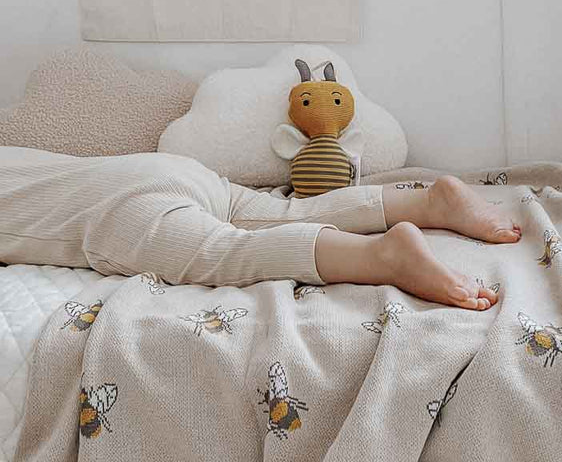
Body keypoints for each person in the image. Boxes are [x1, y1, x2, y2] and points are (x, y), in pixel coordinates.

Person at [0, 147, 521, 310]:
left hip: (120, 212)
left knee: (232, 252)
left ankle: (381, 256)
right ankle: (430, 201)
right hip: (158, 168)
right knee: (279, 212)